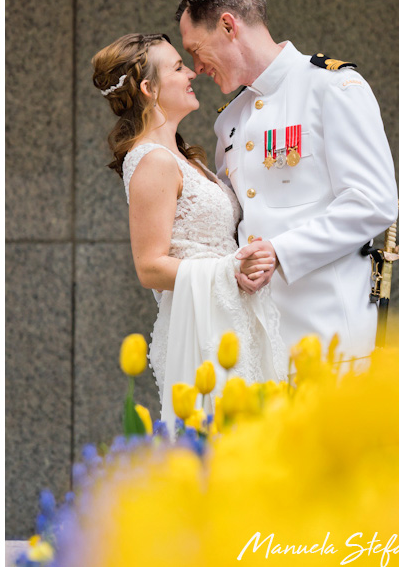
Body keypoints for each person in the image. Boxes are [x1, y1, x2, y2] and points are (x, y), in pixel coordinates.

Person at [176, 0, 398, 361]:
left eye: (196, 50)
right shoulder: (229, 120)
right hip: (258, 340)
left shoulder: (333, 88)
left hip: (330, 337)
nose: (196, 68)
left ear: (228, 25)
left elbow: (372, 202)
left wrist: (281, 251)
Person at [92, 33, 287, 426]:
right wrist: (230, 270)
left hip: (228, 315)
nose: (191, 73)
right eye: (178, 67)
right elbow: (149, 267)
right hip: (201, 327)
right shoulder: (152, 161)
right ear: (149, 88)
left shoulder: (186, 158)